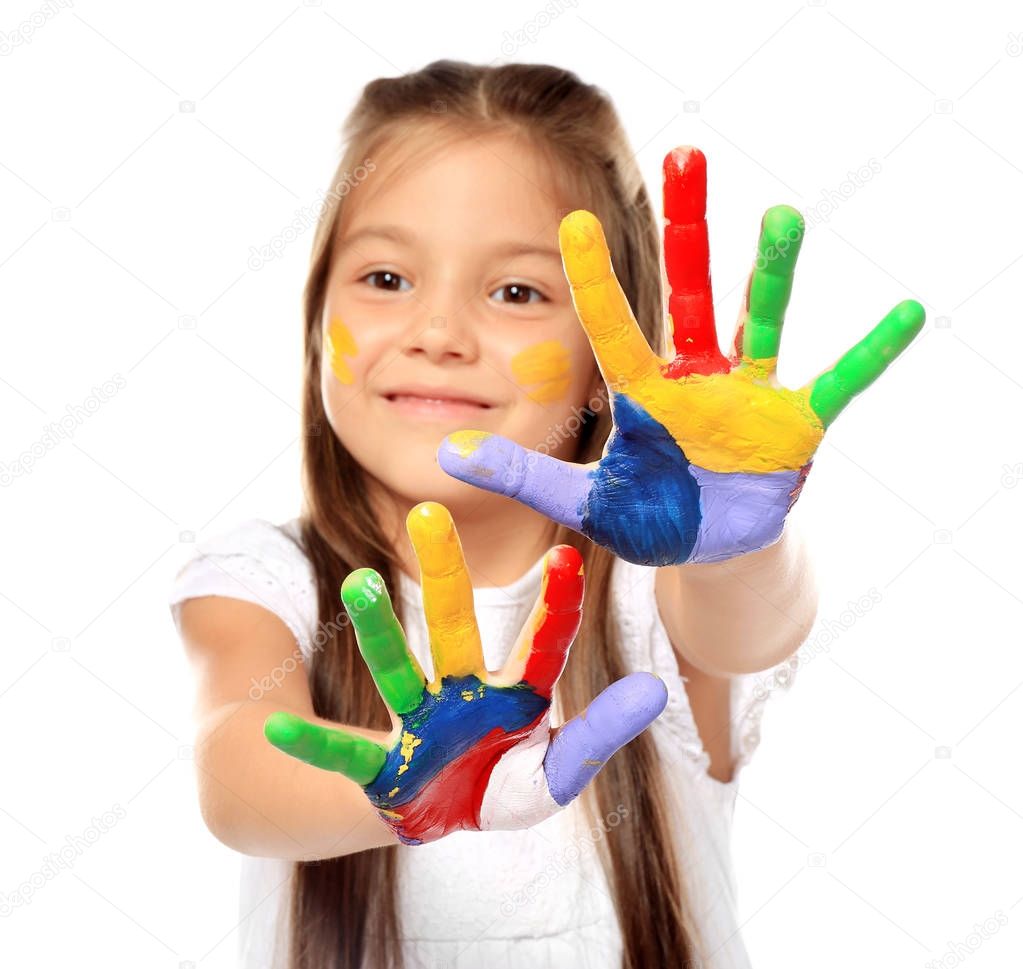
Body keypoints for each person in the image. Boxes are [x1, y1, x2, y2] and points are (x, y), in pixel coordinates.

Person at [169, 59, 923, 969]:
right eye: (384, 276)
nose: (437, 332)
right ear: (315, 306)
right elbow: (240, 775)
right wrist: (406, 788)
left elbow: (749, 630)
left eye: (517, 292)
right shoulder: (270, 580)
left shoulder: (650, 589)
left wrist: (728, 543)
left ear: (609, 353)